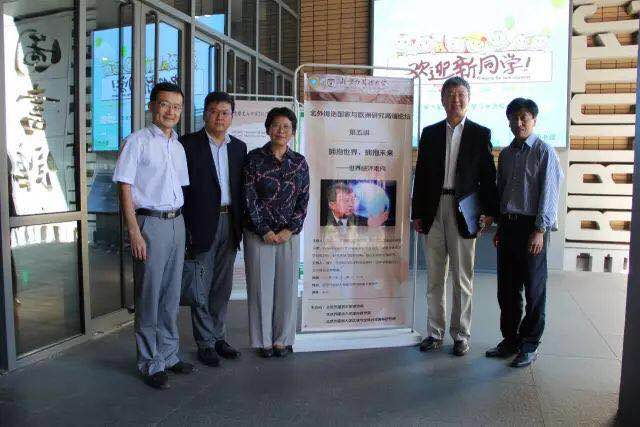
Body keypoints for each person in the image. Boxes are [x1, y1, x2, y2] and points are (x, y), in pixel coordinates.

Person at [113, 82, 193, 390]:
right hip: (150, 224)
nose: (171, 111)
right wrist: (134, 230)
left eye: (177, 106)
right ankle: (150, 361)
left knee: (171, 294)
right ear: (152, 106)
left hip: (176, 222)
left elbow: (178, 188)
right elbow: (124, 186)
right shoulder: (137, 142)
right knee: (149, 294)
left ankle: (169, 355)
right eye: (165, 104)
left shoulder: (178, 146)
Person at [412, 76, 498, 357]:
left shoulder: (480, 134)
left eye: (460, 94)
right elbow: (421, 176)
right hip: (434, 208)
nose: (455, 100)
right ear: (442, 99)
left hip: (464, 210)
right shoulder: (430, 133)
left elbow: (488, 177)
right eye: (450, 94)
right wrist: (417, 213)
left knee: (462, 278)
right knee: (435, 276)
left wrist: (488, 212)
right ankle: (434, 332)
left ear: (468, 99)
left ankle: (461, 335)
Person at [486, 98, 563, 368]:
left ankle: (529, 345)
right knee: (507, 290)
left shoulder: (544, 152)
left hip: (532, 229)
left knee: (533, 290)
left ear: (534, 120)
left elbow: (549, 194)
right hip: (508, 227)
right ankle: (510, 340)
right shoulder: (506, 154)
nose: (518, 123)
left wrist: (540, 230)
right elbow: (502, 191)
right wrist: (500, 226)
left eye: (524, 118)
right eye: (514, 118)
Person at [180, 92, 247, 367]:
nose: (219, 117)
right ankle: (205, 343)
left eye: (225, 112)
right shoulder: (188, 144)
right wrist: (186, 228)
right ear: (205, 114)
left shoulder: (239, 148)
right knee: (201, 286)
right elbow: (182, 190)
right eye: (214, 111)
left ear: (232, 116)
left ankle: (219, 337)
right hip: (201, 223)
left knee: (222, 286)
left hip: (230, 222)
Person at [243, 107, 309, 358]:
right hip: (258, 235)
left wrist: (289, 229)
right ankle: (264, 341)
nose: (281, 130)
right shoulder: (253, 159)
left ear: (293, 132)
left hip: (288, 235)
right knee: (260, 288)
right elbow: (249, 198)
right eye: (276, 125)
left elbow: (303, 199)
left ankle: (283, 339)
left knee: (287, 288)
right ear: (268, 129)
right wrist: (265, 230)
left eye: (286, 126)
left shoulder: (299, 162)